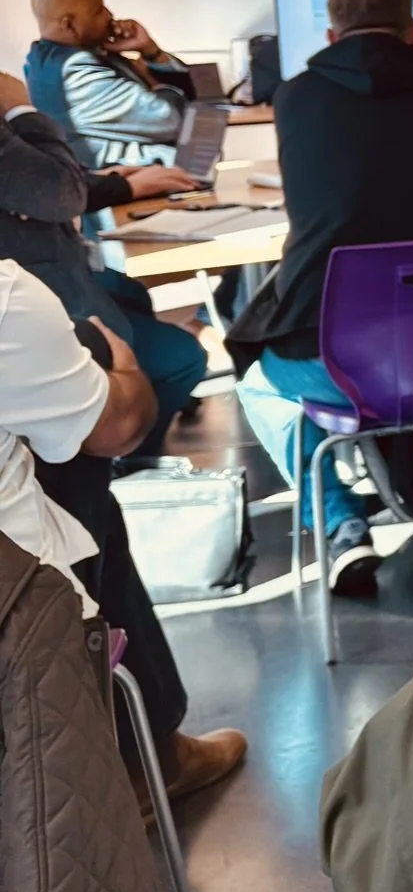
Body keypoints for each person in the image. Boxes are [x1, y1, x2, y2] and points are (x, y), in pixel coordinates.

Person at [228, 0, 413, 595]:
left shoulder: (296, 98)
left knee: (259, 384)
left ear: (331, 35)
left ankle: (341, 524)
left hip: (337, 365)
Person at [1, 260, 246, 802]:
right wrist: (127, 372)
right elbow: (119, 429)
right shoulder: (7, 297)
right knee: (100, 400)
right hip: (23, 638)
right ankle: (152, 756)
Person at [0, 71, 206, 457]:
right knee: (183, 357)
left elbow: (31, 174)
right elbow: (55, 190)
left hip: (60, 270)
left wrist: (117, 183)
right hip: (36, 297)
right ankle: (127, 461)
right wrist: (20, 109)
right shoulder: (77, 69)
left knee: (132, 293)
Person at [25, 0, 192, 166]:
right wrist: (152, 81)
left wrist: (150, 51)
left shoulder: (65, 53)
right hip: (138, 177)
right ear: (69, 24)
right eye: (98, 11)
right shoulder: (73, 72)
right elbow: (173, 120)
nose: (109, 15)